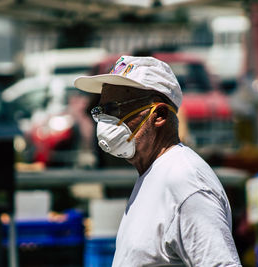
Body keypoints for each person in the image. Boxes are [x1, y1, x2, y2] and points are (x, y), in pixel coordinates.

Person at [74, 56, 241, 266]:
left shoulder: (185, 181)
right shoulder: (153, 173)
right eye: (101, 112)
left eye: (115, 110)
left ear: (159, 115)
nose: (105, 121)